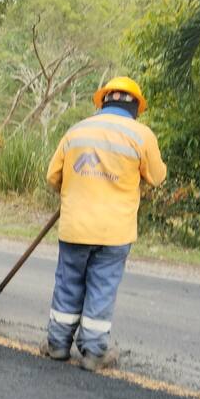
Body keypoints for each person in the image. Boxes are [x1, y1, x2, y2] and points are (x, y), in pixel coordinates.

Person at [42, 76, 167, 370]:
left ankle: (57, 344)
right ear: (136, 107)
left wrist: (76, 188)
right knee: (102, 287)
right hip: (115, 231)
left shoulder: (77, 130)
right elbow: (157, 177)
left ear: (102, 101)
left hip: (75, 226)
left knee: (68, 284)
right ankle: (94, 352)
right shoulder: (141, 135)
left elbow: (53, 177)